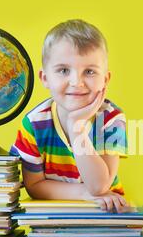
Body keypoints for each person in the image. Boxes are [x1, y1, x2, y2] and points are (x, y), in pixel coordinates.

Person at [10, 19, 129, 213]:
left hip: (106, 218)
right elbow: (34, 186)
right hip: (54, 222)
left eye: (89, 71)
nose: (76, 82)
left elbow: (99, 187)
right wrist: (84, 193)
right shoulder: (33, 124)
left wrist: (77, 128)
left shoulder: (111, 119)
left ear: (105, 79)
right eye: (64, 70)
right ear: (45, 78)